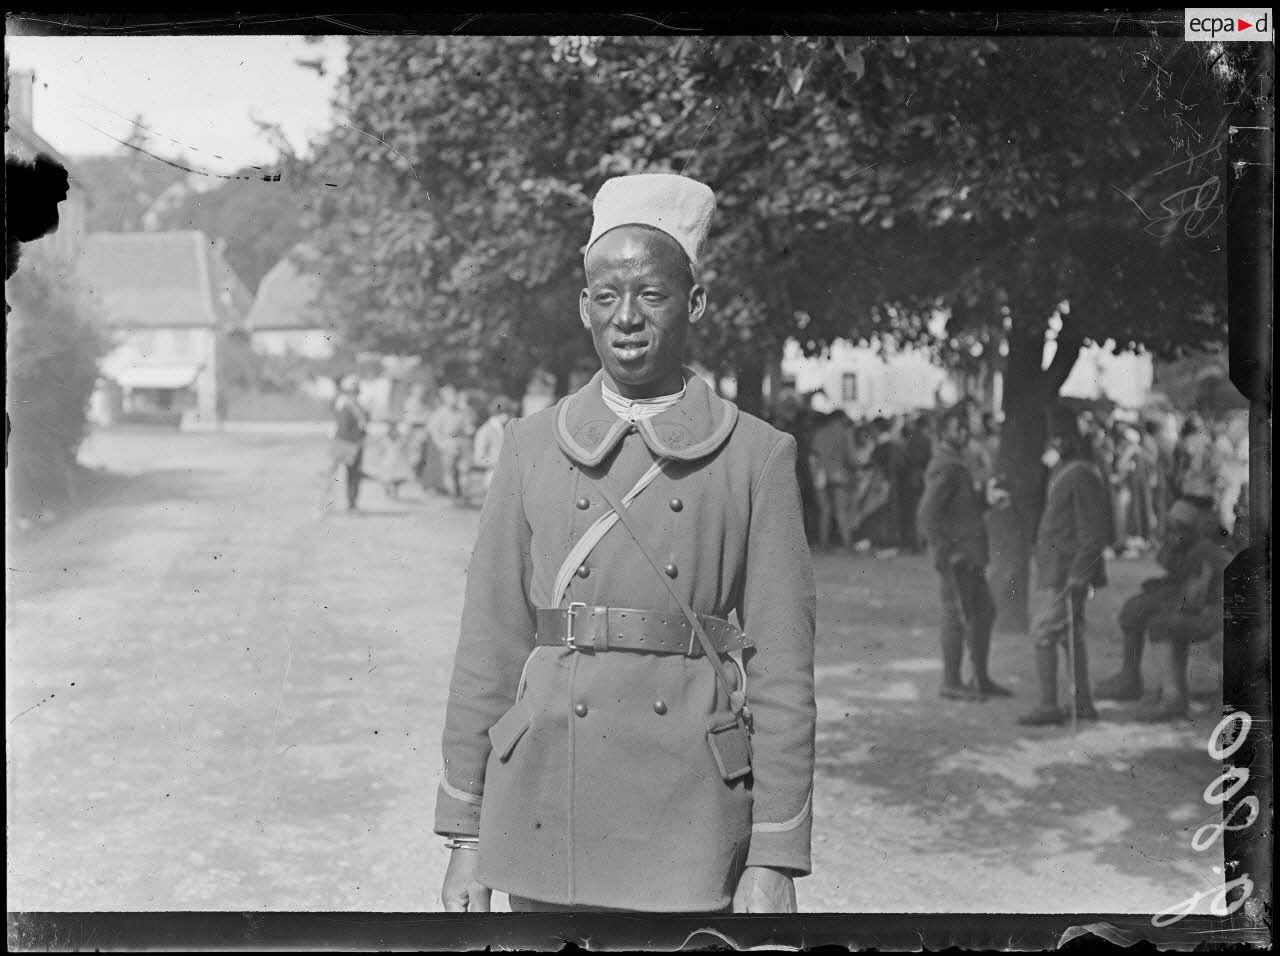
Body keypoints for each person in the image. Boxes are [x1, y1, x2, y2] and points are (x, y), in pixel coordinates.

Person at [435, 173, 816, 914]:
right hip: (548, 800)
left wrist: (774, 855)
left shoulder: (756, 456)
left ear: (695, 302)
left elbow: (783, 676)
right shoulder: (530, 446)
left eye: (652, 294)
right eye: (607, 296)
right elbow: (488, 647)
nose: (627, 318)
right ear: (584, 308)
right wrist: (465, 834)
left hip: (691, 815)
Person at [1018, 404, 1113, 726]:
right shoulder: (1063, 469)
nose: (1057, 443)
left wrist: (1079, 573)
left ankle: (1048, 706)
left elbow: (1094, 532)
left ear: (1075, 438)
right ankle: (1082, 703)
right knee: (1070, 634)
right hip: (1055, 566)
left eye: (1063, 437)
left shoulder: (1083, 472)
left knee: (1045, 632)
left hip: (1067, 570)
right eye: (1054, 438)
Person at [1095, 498, 1229, 717]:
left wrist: (1166, 602)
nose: (1172, 533)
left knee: (1162, 624)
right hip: (1216, 607)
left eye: (1178, 528)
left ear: (1190, 529)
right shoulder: (1191, 546)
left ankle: (1173, 697)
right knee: (1136, 607)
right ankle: (1132, 678)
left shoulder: (1202, 551)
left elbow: (1192, 600)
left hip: (1224, 612)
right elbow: (1179, 578)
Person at [917, 405, 1012, 701]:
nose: (963, 432)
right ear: (943, 431)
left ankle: (980, 679)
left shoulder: (958, 462)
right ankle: (952, 682)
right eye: (957, 427)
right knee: (956, 616)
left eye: (965, 427)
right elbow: (927, 516)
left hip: (970, 552)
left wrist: (987, 502)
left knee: (984, 612)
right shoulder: (946, 465)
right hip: (958, 556)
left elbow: (963, 508)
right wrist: (945, 553)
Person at [807, 395, 859, 551]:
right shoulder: (845, 432)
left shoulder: (820, 432)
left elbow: (813, 455)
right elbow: (850, 457)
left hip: (820, 476)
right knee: (841, 511)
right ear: (842, 419)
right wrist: (858, 467)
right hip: (839, 476)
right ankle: (846, 543)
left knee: (825, 510)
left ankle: (823, 543)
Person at [327, 374, 369, 513]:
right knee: (332, 475)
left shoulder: (362, 409)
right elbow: (340, 426)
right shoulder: (342, 405)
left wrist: (361, 438)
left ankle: (352, 503)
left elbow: (364, 427)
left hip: (355, 444)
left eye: (355, 392)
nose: (353, 394)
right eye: (350, 392)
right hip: (342, 443)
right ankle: (325, 504)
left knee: (354, 475)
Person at [866, 416, 905, 557]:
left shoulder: (883, 447)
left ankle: (887, 545)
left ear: (877, 429)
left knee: (884, 514)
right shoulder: (894, 445)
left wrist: (884, 483)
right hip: (892, 483)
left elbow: (881, 467)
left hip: (884, 484)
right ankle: (888, 544)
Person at [901, 413, 933, 554]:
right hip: (922, 478)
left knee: (914, 511)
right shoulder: (926, 439)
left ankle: (916, 543)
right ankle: (921, 543)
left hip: (911, 477)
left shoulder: (910, 439)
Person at [471, 395, 515, 492]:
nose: (511, 416)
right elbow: (478, 458)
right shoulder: (485, 431)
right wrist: (496, 463)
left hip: (511, 478)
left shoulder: (508, 428)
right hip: (493, 478)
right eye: (508, 412)